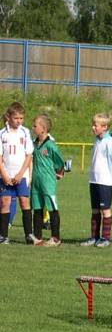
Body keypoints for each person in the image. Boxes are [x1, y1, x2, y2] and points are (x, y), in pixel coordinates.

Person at [81, 113, 112, 247]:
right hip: (94, 180)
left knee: (106, 210)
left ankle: (106, 238)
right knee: (95, 210)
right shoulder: (97, 140)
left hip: (105, 182)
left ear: (105, 127)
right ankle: (94, 237)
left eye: (95, 125)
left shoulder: (110, 142)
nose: (93, 127)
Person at [0, 101, 34, 243]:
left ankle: (29, 235)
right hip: (6, 175)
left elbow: (29, 155)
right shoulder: (2, 134)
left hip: (22, 175)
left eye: (21, 118)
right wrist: (4, 175)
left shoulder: (25, 132)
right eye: (16, 118)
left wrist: (21, 174)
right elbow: (0, 157)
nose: (19, 121)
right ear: (9, 117)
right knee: (5, 202)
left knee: (24, 202)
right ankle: (3, 236)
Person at [30, 114, 64, 246]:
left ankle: (56, 238)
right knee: (37, 208)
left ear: (43, 128)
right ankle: (37, 237)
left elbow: (60, 162)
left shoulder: (50, 145)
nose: (33, 128)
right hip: (36, 182)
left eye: (35, 126)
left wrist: (58, 173)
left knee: (52, 208)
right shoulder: (34, 143)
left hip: (48, 182)